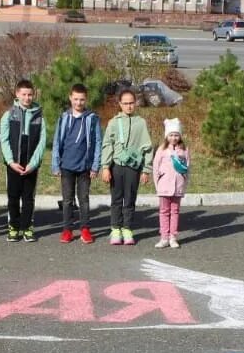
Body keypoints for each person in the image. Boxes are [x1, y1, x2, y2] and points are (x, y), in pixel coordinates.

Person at [100, 88, 153, 246]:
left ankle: (127, 228)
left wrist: (146, 170)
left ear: (135, 103)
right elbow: (107, 144)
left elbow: (147, 147)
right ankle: (115, 229)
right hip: (117, 166)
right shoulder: (113, 122)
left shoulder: (141, 123)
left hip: (133, 168)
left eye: (131, 103)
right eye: (125, 103)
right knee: (116, 199)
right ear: (120, 104)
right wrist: (105, 167)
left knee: (130, 198)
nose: (129, 106)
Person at [51, 83, 102, 244]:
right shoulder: (64, 118)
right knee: (67, 200)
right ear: (70, 98)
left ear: (86, 99)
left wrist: (95, 165)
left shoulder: (92, 118)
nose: (78, 102)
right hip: (66, 166)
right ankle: (67, 229)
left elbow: (98, 142)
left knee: (84, 199)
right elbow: (57, 142)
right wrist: (56, 164)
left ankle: (85, 229)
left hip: (84, 167)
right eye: (75, 99)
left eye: (82, 99)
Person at [0, 79, 46, 242]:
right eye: (24, 94)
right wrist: (10, 161)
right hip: (14, 163)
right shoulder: (8, 115)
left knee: (28, 198)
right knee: (13, 197)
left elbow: (42, 142)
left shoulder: (39, 116)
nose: (27, 98)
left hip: (31, 164)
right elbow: (4, 140)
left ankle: (27, 227)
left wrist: (33, 164)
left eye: (30, 94)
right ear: (17, 94)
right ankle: (13, 226)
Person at [152, 118, 190, 249]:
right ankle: (164, 237)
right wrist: (157, 185)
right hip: (164, 187)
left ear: (180, 136)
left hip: (178, 186)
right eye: (171, 135)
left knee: (175, 211)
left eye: (176, 135)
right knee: (164, 211)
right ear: (166, 136)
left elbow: (187, 168)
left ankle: (173, 237)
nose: (174, 138)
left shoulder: (184, 150)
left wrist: (184, 184)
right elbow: (155, 168)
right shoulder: (161, 149)